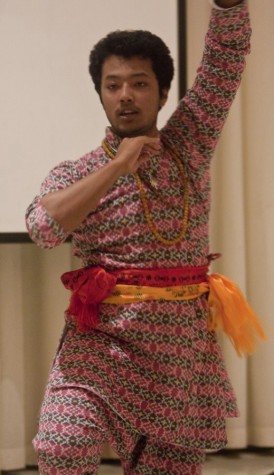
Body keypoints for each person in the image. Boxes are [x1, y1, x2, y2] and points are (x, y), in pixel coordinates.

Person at [26, 1, 264, 473]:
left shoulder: (189, 145)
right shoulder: (77, 172)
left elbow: (225, 59)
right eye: (112, 86)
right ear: (100, 94)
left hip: (179, 351)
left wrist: (229, 5)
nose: (126, 96)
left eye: (139, 83)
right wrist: (118, 165)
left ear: (162, 93)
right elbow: (44, 227)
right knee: (61, 445)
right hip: (100, 346)